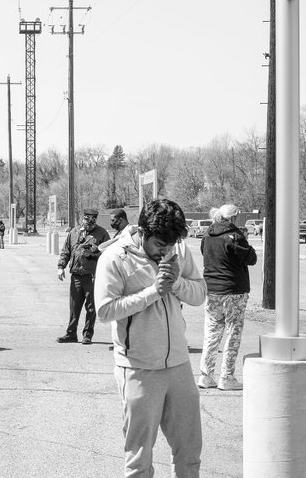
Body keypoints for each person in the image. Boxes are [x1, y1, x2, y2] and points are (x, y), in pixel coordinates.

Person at [94, 198, 206, 478]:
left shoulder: (176, 248)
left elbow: (199, 294)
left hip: (179, 365)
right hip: (138, 368)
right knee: (139, 458)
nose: (165, 251)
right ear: (143, 232)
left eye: (170, 245)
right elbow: (105, 310)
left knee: (189, 452)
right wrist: (154, 291)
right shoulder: (115, 257)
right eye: (159, 245)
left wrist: (177, 282)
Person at [198, 204, 257, 391]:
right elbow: (251, 258)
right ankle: (227, 376)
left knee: (212, 332)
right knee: (233, 333)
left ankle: (206, 375)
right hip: (233, 291)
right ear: (234, 218)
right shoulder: (235, 236)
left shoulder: (207, 235)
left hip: (212, 289)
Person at [56, 208, 110, 344]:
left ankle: (87, 335)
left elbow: (108, 254)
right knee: (74, 306)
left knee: (91, 307)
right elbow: (66, 250)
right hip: (76, 275)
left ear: (95, 220)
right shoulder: (74, 232)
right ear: (83, 218)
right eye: (86, 219)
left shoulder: (102, 233)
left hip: (92, 276)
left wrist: (93, 253)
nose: (89, 222)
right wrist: (61, 267)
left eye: (92, 219)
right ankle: (71, 334)